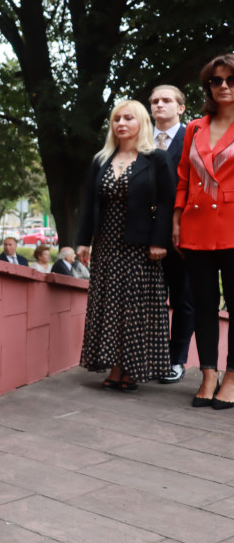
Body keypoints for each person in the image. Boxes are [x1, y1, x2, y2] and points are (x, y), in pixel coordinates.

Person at [77, 99, 174, 392]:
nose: (121, 123)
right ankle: (116, 365)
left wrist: (159, 240)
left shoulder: (156, 158)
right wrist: (83, 241)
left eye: (128, 118)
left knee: (134, 308)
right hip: (106, 244)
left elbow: (166, 202)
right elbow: (88, 204)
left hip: (141, 246)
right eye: (117, 118)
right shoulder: (101, 159)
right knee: (110, 306)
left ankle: (130, 368)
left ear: (141, 123)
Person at [173, 54, 234, 409]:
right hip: (196, 227)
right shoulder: (194, 127)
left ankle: (231, 376)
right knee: (203, 305)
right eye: (216, 80)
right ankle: (208, 372)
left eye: (230, 79)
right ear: (208, 86)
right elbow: (184, 176)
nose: (224, 85)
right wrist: (177, 216)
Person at [150, 85, 195, 385]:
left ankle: (176, 360)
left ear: (180, 107)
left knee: (183, 298)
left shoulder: (193, 138)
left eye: (167, 100)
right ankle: (151, 357)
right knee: (149, 298)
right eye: (154, 101)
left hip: (182, 233)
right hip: (144, 233)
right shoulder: (140, 141)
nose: (159, 105)